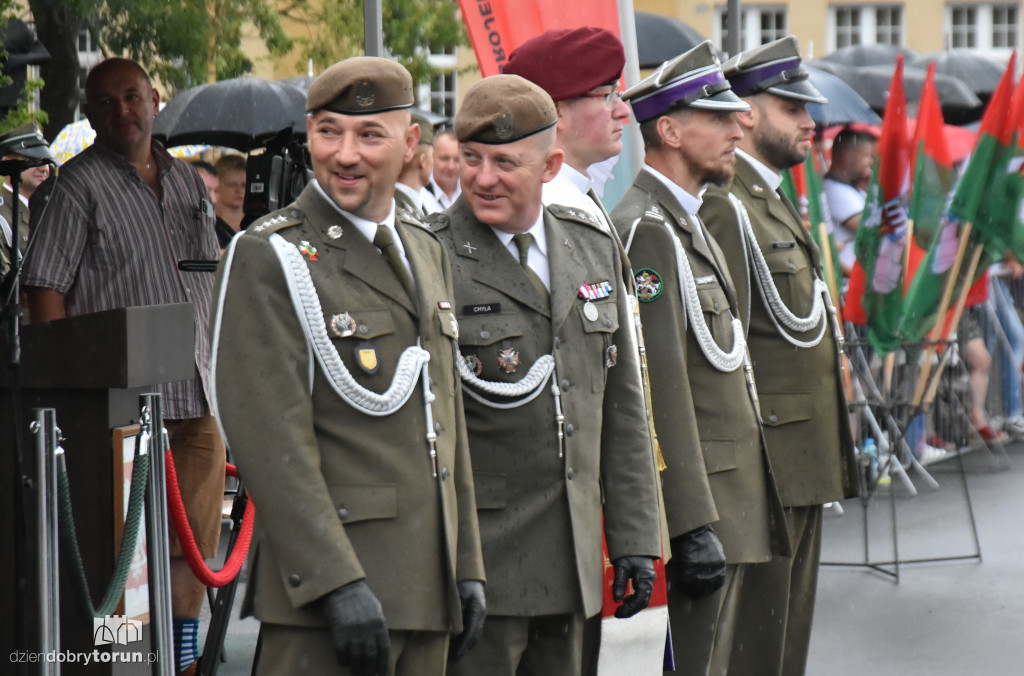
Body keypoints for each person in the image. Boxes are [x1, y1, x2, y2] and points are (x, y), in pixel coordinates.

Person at [209, 56, 485, 676]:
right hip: (329, 604)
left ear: (410, 142)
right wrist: (335, 581)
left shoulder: (424, 247)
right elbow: (266, 434)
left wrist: (467, 565)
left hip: (426, 590)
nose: (345, 154)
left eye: (369, 135)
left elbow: (446, 420)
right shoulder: (272, 255)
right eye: (328, 131)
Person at [430, 74, 662, 676]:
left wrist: (636, 536)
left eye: (504, 162)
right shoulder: (428, 255)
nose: (481, 178)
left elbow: (621, 404)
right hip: (484, 568)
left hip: (575, 560)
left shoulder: (588, 243)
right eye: (472, 159)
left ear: (550, 163)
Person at [22, 57, 224, 676]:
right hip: (119, 411)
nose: (122, 112)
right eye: (105, 103)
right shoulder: (76, 185)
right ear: (89, 115)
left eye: (131, 96)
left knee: (194, 552)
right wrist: (69, 382)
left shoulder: (189, 182)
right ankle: (126, 665)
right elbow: (45, 289)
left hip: (196, 393)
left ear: (155, 98)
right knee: (125, 562)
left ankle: (182, 660)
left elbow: (211, 277)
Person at [610, 42, 789, 676]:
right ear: (670, 130)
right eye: (718, 118)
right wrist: (689, 523)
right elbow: (659, 387)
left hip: (731, 495)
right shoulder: (646, 230)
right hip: (703, 504)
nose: (738, 128)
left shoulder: (692, 220)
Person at [502, 26, 670, 673]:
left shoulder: (584, 208)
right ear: (556, 113)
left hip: (595, 510)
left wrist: (635, 527)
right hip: (539, 523)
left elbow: (622, 384)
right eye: (606, 93)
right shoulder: (541, 212)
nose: (625, 109)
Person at [698, 36, 861, 676]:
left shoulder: (768, 196)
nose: (810, 122)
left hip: (801, 454)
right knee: (752, 648)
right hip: (766, 460)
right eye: (791, 107)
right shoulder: (726, 204)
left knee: (786, 639)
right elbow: (722, 345)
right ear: (746, 114)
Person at [0, 122, 52, 281]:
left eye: (45, 161)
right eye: (33, 160)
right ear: (7, 163)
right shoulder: (3, 215)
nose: (44, 168)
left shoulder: (48, 210)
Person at [822, 125, 878, 274]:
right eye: (867, 156)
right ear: (848, 156)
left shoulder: (854, 188)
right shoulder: (833, 189)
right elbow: (872, 230)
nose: (871, 163)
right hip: (847, 282)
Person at [394, 113, 436, 218]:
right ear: (423, 161)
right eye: (432, 156)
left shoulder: (395, 203)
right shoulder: (403, 208)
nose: (433, 162)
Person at [214, 153, 247, 239]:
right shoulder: (208, 221)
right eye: (232, 185)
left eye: (244, 185)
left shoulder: (254, 223)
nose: (239, 190)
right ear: (217, 185)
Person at [429, 129, 460, 210]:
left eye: (457, 160)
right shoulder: (420, 194)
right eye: (445, 158)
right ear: (432, 157)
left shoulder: (470, 193)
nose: (451, 167)